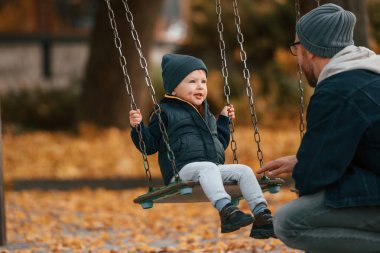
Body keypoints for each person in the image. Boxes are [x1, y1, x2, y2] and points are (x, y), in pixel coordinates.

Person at [257, 3, 380, 252]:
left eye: (295, 47)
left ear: (310, 50)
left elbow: (313, 178)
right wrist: (301, 160)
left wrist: (306, 164)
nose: (297, 58)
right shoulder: (369, 73)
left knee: (289, 221)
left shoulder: (337, 90)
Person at [129, 53, 275, 239]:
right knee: (208, 168)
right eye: (192, 81)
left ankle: (262, 215)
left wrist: (222, 121)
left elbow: (219, 144)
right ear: (173, 89)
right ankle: (227, 211)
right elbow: (149, 146)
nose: (200, 86)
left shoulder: (207, 115)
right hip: (181, 170)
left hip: (210, 169)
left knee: (244, 170)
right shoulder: (164, 112)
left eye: (203, 81)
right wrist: (138, 127)